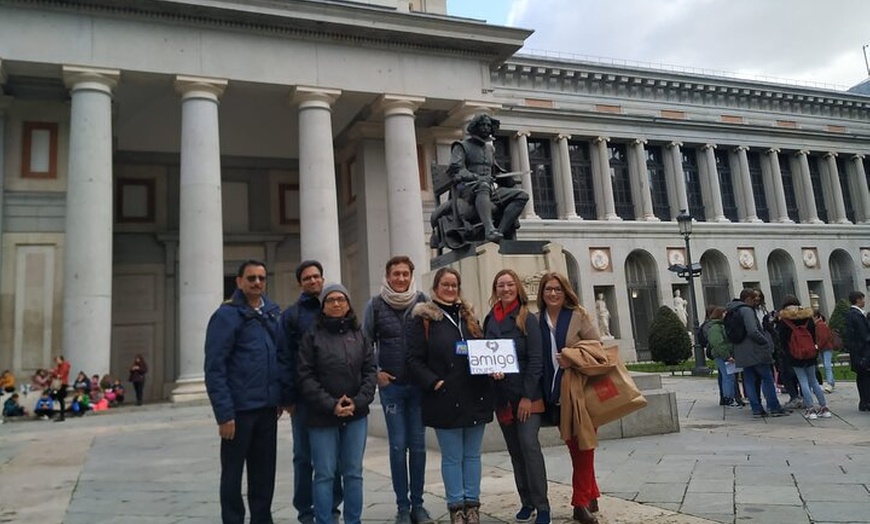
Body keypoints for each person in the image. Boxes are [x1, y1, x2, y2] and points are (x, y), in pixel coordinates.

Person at [204, 259, 292, 524]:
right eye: (251, 278)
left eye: (261, 278)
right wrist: (224, 414)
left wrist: (281, 396)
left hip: (267, 409)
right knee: (232, 475)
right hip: (238, 412)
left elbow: (280, 357)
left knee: (264, 474)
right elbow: (215, 368)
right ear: (239, 281)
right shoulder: (225, 316)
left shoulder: (273, 312)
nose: (257, 283)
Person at [407, 267, 492, 524]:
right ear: (435, 288)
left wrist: (493, 368)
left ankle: (472, 505)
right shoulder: (424, 319)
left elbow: (482, 350)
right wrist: (434, 383)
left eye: (454, 285)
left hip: (474, 394)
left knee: (473, 455)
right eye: (445, 284)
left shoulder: (469, 317)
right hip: (444, 396)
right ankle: (456, 506)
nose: (450, 289)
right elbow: (413, 359)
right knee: (453, 456)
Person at [298, 283, 377, 524]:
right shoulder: (311, 336)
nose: (336, 304)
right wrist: (331, 404)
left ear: (348, 304)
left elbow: (370, 371)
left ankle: (354, 520)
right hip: (322, 416)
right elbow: (305, 375)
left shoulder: (359, 334)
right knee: (324, 474)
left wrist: (357, 401)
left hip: (356, 414)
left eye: (341, 299)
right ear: (323, 306)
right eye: (330, 300)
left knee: (353, 473)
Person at [361, 256, 433, 524]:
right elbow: (364, 343)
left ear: (411, 275)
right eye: (396, 274)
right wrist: (376, 373)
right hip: (392, 389)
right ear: (388, 276)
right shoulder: (376, 305)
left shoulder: (422, 300)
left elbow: (432, 339)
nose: (400, 278)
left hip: (417, 387)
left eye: (405, 274)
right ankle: (402, 507)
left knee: (418, 447)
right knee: (396, 447)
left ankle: (418, 505)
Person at [483, 269, 549, 524]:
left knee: (529, 447)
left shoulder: (527, 317)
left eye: (510, 284)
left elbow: (536, 360)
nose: (506, 289)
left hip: (526, 396)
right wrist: (490, 370)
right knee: (515, 451)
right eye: (501, 285)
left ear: (517, 288)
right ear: (495, 289)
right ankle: (526, 501)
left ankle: (543, 506)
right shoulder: (490, 318)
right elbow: (487, 354)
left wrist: (527, 397)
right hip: (502, 397)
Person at [537, 272, 602, 524]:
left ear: (565, 292)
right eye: (548, 289)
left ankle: (580, 503)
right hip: (552, 392)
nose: (553, 294)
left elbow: (597, 348)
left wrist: (571, 357)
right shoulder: (535, 321)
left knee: (584, 447)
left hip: (579, 391)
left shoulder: (578, 316)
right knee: (577, 448)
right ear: (541, 294)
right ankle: (591, 492)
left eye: (557, 289)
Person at [283, 259, 343, 524]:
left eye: (316, 277)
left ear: (322, 278)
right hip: (304, 398)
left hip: (334, 396)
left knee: (335, 457)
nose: (313, 281)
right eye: (307, 278)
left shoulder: (335, 307)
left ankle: (332, 508)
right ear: (300, 283)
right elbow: (284, 357)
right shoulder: (292, 315)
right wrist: (287, 397)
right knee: (304, 456)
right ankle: (305, 511)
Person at [446, 114, 529, 243]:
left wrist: (506, 178)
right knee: (483, 185)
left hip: (490, 189)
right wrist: (477, 177)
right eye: (482, 125)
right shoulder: (461, 146)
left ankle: (499, 232)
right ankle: (489, 229)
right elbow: (456, 169)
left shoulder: (490, 149)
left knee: (521, 196)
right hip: (467, 188)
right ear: (475, 127)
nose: (486, 128)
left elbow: (494, 170)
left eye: (488, 125)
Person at [727, 289, 788, 418]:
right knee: (767, 377)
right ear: (747, 299)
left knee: (749, 380)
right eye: (753, 298)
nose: (756, 300)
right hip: (755, 350)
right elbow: (752, 330)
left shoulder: (733, 310)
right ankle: (774, 407)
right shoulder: (746, 310)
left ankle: (756, 409)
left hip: (741, 351)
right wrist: (765, 341)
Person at [777, 296, 830, 420]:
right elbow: (813, 335)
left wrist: (787, 352)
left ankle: (810, 409)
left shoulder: (784, 321)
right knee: (814, 381)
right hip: (810, 352)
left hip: (795, 354)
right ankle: (824, 407)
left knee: (803, 381)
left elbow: (782, 340)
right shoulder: (807, 317)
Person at [706, 306, 741, 408]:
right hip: (722, 355)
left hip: (725, 354)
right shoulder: (716, 328)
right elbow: (718, 343)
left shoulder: (721, 326)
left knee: (729, 377)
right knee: (728, 377)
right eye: (724, 313)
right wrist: (727, 356)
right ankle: (728, 398)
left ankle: (729, 397)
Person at [845, 291, 870, 411]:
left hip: (857, 352)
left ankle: (864, 401)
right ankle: (866, 401)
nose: (864, 301)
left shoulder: (850, 314)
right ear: (858, 300)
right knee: (866, 377)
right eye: (862, 299)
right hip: (863, 352)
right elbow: (864, 335)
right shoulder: (857, 315)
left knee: (862, 377)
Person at [814, 311, 836, 393]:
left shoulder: (820, 325)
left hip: (825, 348)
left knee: (827, 365)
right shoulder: (821, 324)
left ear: (815, 316)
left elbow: (823, 338)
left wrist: (817, 346)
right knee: (827, 365)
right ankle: (831, 382)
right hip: (825, 347)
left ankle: (830, 383)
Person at [51, 355, 71, 422]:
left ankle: (62, 415)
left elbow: (60, 375)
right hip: (60, 383)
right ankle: (61, 415)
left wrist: (53, 372)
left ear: (61, 359)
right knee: (59, 398)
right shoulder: (60, 366)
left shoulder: (64, 365)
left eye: (57, 360)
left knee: (60, 398)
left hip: (62, 383)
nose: (56, 361)